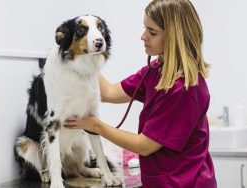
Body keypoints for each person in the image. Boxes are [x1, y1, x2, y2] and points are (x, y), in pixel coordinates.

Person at [64, 0, 217, 187]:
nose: (143, 36)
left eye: (152, 32)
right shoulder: (155, 72)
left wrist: (94, 125)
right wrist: (81, 54)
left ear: (175, 37)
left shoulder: (184, 89)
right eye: (145, 28)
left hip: (185, 183)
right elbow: (109, 92)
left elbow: (144, 146)